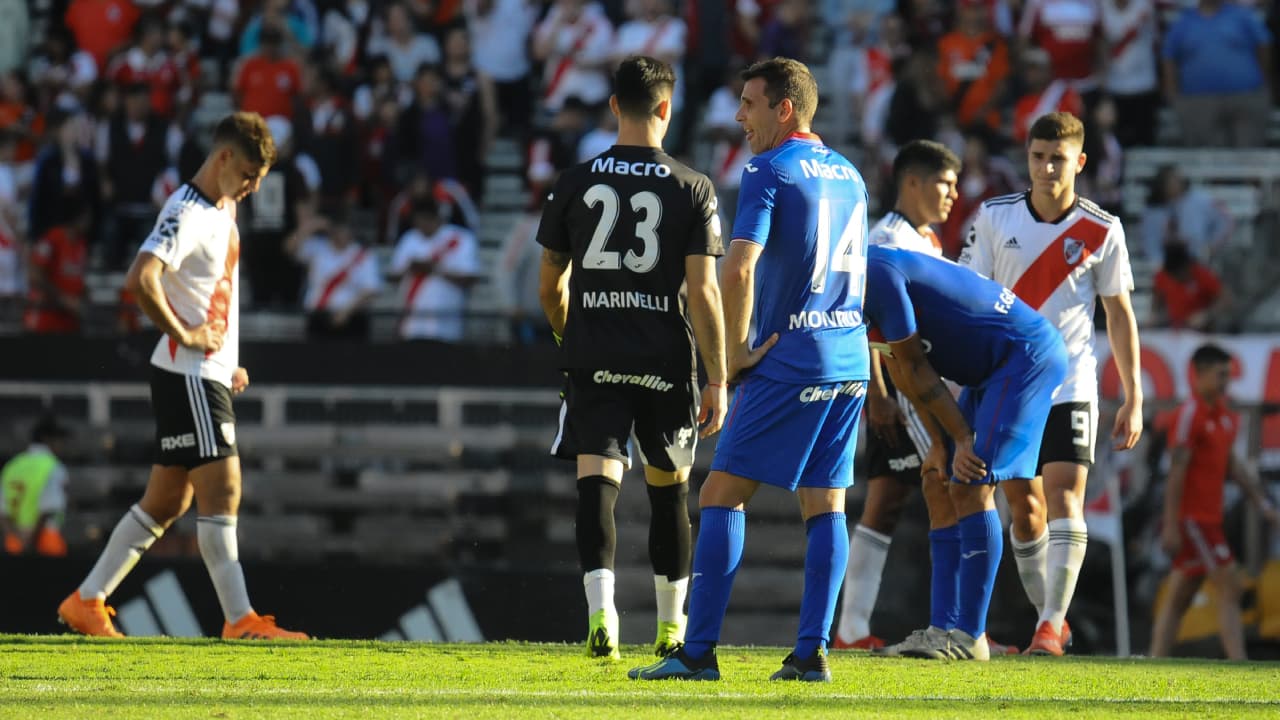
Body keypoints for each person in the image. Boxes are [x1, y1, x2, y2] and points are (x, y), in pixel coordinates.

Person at [632, 57, 867, 683]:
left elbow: (737, 269)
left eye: (749, 104)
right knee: (827, 504)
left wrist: (731, 358)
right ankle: (811, 653)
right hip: (848, 356)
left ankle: (698, 652)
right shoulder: (850, 174)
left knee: (718, 493)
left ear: (783, 109)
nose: (739, 116)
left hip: (792, 356)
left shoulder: (769, 168)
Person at [57, 112, 308, 641]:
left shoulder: (223, 208)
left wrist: (227, 358)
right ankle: (241, 621)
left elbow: (212, 291)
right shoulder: (187, 211)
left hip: (202, 371)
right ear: (223, 158)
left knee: (168, 501)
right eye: (248, 175)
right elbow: (141, 278)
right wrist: (190, 338)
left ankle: (86, 600)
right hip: (188, 371)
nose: (253, 187)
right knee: (225, 487)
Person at [536, 55, 727, 661]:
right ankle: (671, 628)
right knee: (669, 490)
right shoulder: (693, 187)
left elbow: (549, 288)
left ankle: (602, 619)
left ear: (614, 105)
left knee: (597, 482)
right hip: (665, 359)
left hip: (593, 356)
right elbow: (702, 291)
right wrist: (718, 375)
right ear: (667, 108)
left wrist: (573, 338)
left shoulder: (572, 182)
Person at [959, 110, 1143, 656]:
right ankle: (1049, 619)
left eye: (1057, 159)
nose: (1045, 168)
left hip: (1072, 382)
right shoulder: (994, 218)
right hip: (1009, 383)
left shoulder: (1101, 229)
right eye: (1037, 157)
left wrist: (1133, 396)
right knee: (1026, 508)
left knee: (1066, 492)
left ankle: (1049, 626)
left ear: (1079, 162)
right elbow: (969, 299)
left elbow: (1120, 313)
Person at [862, 245, 1067, 661]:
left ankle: (970, 636)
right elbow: (901, 369)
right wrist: (939, 445)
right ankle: (944, 628)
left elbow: (917, 365)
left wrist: (961, 440)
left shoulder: (874, 273)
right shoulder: (853, 279)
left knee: (971, 485)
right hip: (992, 369)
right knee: (941, 484)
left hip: (1023, 359)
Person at [832, 139, 956, 651]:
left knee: (886, 501)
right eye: (943, 184)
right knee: (954, 486)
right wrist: (876, 394)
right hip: (901, 387)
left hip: (912, 382)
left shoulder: (927, 240)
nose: (952, 194)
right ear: (911, 182)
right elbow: (862, 319)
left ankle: (851, 630)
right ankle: (961, 623)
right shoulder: (886, 238)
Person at [1150, 344, 1280, 660]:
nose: (1225, 382)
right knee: (1230, 583)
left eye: (1228, 375)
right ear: (1199, 375)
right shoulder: (1190, 414)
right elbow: (1176, 471)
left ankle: (1155, 659)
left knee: (1181, 595)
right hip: (1194, 521)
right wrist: (1171, 526)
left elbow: (1232, 465)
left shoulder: (1223, 416)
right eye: (1220, 375)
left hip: (1209, 518)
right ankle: (1239, 660)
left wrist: (1262, 504)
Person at [390, 197, 482, 342]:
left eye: (425, 219)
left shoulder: (461, 238)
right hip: (411, 325)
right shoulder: (409, 239)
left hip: (445, 325)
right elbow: (394, 276)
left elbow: (470, 278)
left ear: (436, 217)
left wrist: (435, 269)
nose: (421, 224)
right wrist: (411, 268)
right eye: (417, 220)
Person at [1, 415, 72, 557]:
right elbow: (49, 508)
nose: (62, 445)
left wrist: (19, 538)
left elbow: (3, 512)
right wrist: (30, 543)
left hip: (14, 543)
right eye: (59, 440)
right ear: (48, 439)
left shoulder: (12, 466)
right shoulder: (52, 466)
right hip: (45, 542)